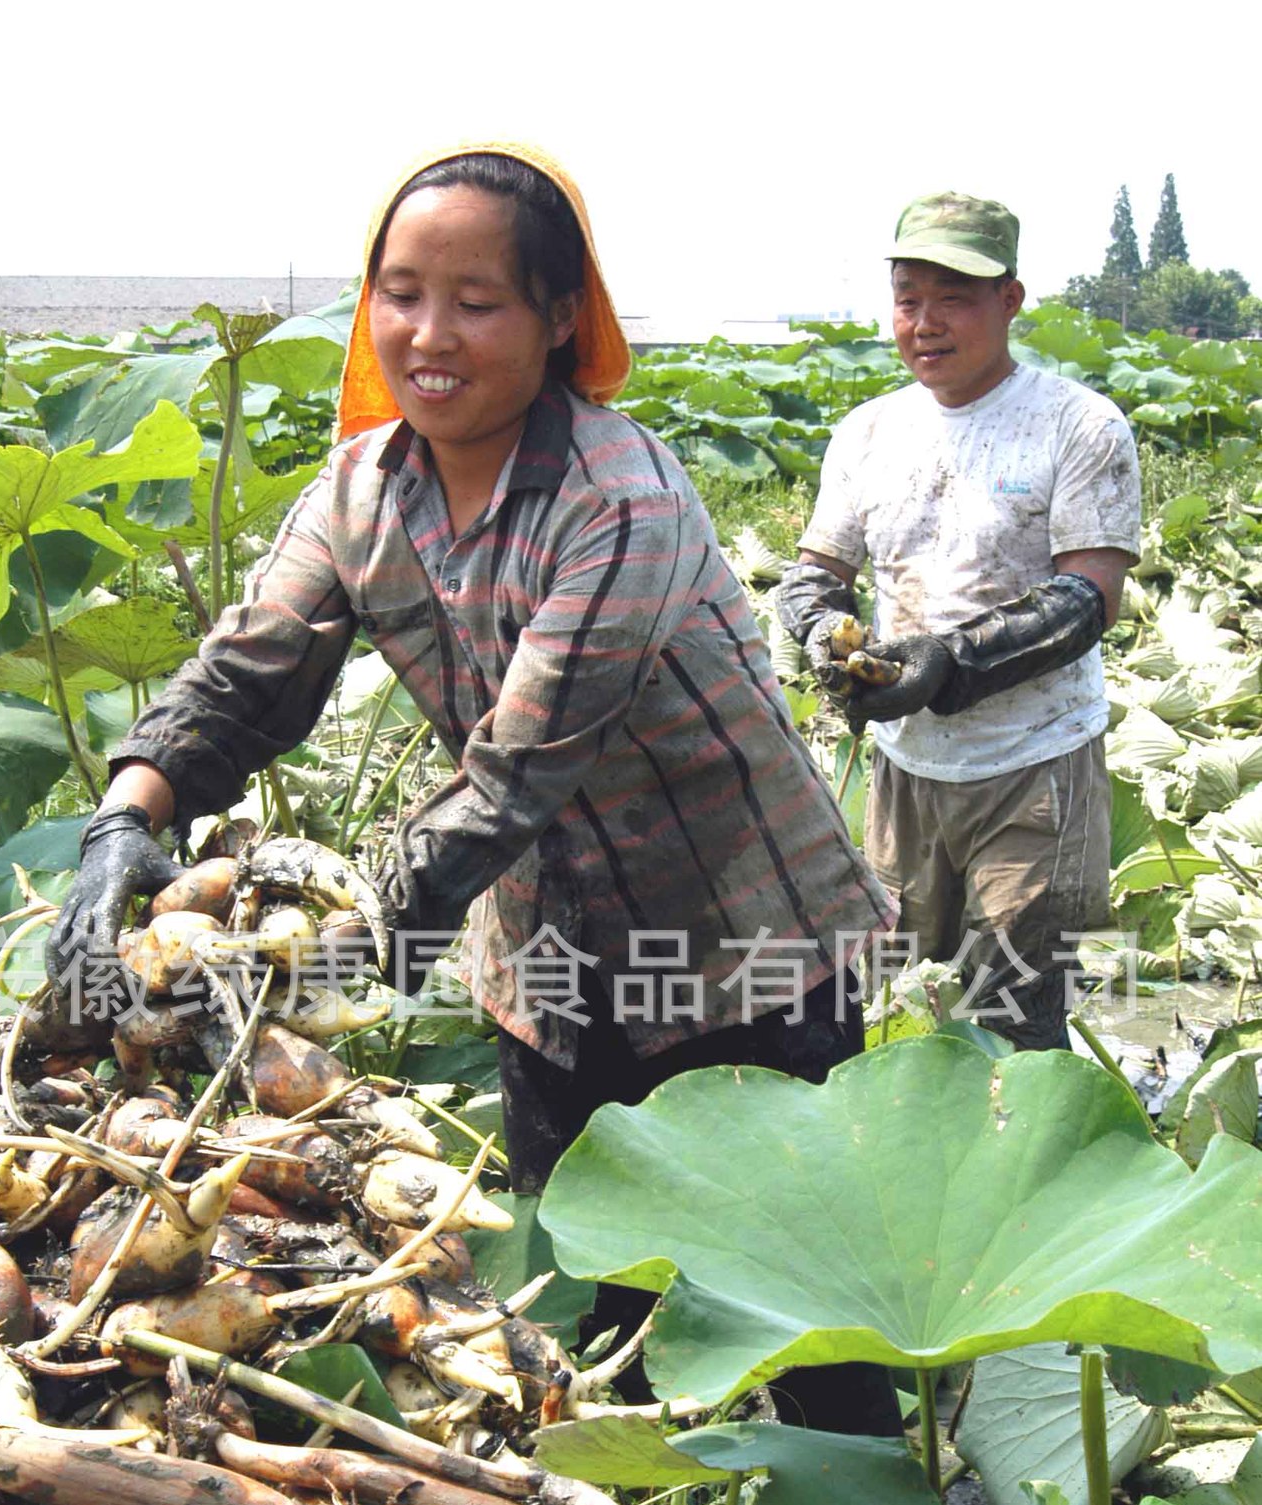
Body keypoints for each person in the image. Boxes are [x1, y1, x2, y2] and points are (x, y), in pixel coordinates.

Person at [49, 142, 898, 1431]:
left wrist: (316, 951)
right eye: (400, 294)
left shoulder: (618, 497)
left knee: (809, 1323)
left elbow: (518, 771)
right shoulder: (357, 493)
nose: (427, 335)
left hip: (746, 947)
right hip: (549, 964)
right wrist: (127, 817)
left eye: (477, 302)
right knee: (600, 1325)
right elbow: (246, 679)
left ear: (561, 319)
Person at [776, 192, 1141, 1050]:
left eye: (954, 299)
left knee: (1016, 1011)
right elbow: (813, 574)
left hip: (1034, 764)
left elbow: (1090, 598)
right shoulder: (869, 432)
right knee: (910, 1004)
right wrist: (826, 638)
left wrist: (948, 662)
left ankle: (1032, 1174)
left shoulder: (1078, 424)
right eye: (908, 300)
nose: (925, 323)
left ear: (1009, 301)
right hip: (907, 773)